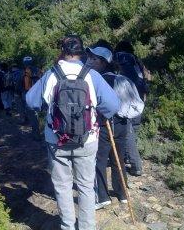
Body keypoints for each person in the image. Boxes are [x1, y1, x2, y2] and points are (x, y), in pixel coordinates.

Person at [27, 35, 120, 230]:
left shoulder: (51, 74)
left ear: (62, 51)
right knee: (86, 186)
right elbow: (113, 105)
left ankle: (67, 226)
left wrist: (48, 107)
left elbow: (31, 101)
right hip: (87, 139)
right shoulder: (92, 75)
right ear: (82, 52)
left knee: (62, 187)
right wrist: (100, 115)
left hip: (56, 139)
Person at [86, 41, 144, 210]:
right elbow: (136, 105)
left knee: (100, 160)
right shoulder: (122, 79)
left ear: (103, 62)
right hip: (122, 124)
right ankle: (122, 193)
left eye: (94, 59)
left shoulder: (96, 81)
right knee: (118, 158)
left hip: (103, 126)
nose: (90, 61)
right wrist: (124, 115)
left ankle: (103, 196)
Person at [114, 40, 149, 176]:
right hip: (139, 98)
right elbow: (143, 78)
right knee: (134, 128)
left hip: (127, 99)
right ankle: (129, 157)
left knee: (127, 131)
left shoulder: (120, 58)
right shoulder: (136, 60)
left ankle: (135, 164)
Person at [20, 56, 42, 140]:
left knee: (32, 115)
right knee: (38, 115)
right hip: (39, 94)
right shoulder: (38, 70)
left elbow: (26, 86)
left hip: (30, 95)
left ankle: (36, 134)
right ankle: (40, 131)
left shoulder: (27, 71)